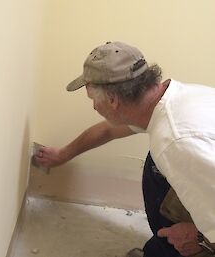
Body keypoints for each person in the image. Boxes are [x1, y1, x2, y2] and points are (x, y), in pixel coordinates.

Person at [34, 41, 215, 257]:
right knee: (157, 166)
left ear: (112, 100)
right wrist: (62, 154)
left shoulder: (177, 143)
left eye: (93, 100)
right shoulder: (165, 98)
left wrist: (197, 237)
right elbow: (107, 131)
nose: (93, 107)